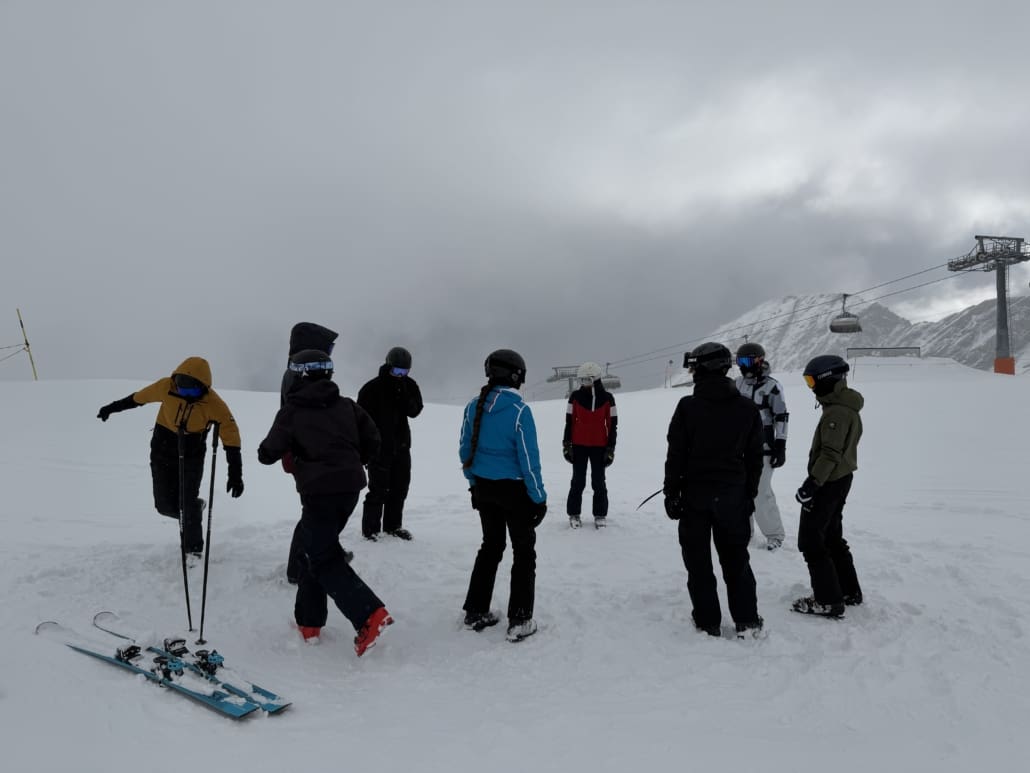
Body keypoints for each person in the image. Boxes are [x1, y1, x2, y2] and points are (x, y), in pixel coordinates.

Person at [257, 349, 394, 655]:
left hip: (319, 492)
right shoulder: (347, 406)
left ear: (299, 376)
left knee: (321, 556)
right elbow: (374, 439)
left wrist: (275, 452)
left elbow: (268, 453)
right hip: (350, 489)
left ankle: (369, 614)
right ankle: (309, 623)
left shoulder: (293, 411)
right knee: (313, 550)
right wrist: (351, 461)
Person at [663, 342, 765, 639]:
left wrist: (671, 493)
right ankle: (747, 620)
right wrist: (748, 494)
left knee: (698, 562)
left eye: (693, 368)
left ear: (703, 369)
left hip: (694, 497)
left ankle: (707, 621)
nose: (692, 373)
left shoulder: (687, 407)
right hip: (733, 497)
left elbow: (675, 455)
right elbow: (755, 459)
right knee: (736, 560)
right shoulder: (747, 408)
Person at [96, 357, 244, 556]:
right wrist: (111, 408)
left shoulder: (214, 404)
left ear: (203, 387)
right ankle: (195, 509)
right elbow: (138, 398)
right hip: (162, 450)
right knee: (164, 506)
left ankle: (193, 552)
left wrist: (235, 474)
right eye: (182, 388)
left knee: (187, 504)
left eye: (192, 391)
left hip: (192, 454)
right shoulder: (166, 386)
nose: (185, 394)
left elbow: (231, 437)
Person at [459, 349, 547, 643]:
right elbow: (529, 460)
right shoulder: (520, 411)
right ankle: (520, 619)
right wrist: (538, 498)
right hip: (515, 492)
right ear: (516, 376)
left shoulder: (473, 406)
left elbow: (465, 450)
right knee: (524, 552)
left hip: (484, 488)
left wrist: (473, 484)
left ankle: (475, 611)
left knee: (491, 546)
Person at [792, 354, 864, 618]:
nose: (810, 387)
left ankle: (828, 600)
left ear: (827, 379)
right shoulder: (842, 406)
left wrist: (812, 484)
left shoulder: (837, 412)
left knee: (811, 540)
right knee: (831, 535)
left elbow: (830, 454)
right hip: (840, 478)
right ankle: (848, 590)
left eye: (812, 381)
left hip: (829, 481)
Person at [279, 323, 343, 584]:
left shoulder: (298, 371)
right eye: (328, 347)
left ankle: (323, 553)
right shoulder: (298, 376)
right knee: (314, 510)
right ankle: (298, 567)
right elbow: (298, 416)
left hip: (307, 451)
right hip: (305, 453)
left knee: (318, 508)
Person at [358, 346, 424, 541]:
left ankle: (393, 526)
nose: (400, 375)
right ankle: (370, 530)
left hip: (402, 446)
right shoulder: (371, 388)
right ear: (388, 366)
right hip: (378, 448)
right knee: (378, 490)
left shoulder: (409, 385)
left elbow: (415, 411)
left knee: (400, 488)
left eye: (404, 371)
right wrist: (364, 450)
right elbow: (360, 421)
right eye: (397, 371)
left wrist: (403, 395)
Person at [734, 342, 788, 550]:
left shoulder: (772, 386)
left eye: (748, 361)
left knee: (760, 491)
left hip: (763, 447)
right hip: (739, 447)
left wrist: (780, 445)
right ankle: (744, 532)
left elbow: (781, 416)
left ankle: (774, 535)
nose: (743, 366)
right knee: (739, 491)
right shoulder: (737, 384)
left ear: (759, 360)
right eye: (740, 361)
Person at [563, 361, 618, 529]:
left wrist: (610, 448)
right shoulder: (575, 397)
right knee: (578, 481)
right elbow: (569, 422)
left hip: (599, 446)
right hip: (578, 446)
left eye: (586, 380)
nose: (583, 384)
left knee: (599, 482)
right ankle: (574, 513)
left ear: (595, 379)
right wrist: (567, 444)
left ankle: (600, 514)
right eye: (581, 380)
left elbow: (612, 425)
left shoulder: (608, 399)